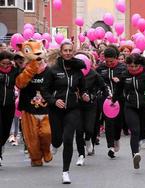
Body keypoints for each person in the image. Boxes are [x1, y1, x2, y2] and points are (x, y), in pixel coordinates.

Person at [42, 40, 89, 184]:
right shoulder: (52, 69)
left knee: (68, 139)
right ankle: (55, 144)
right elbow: (45, 90)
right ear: (61, 52)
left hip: (72, 109)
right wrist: (54, 100)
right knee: (57, 139)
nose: (68, 53)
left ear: (73, 52)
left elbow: (83, 88)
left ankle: (65, 172)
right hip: (56, 109)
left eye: (70, 50)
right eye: (65, 50)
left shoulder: (78, 70)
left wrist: (85, 95)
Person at [112, 53, 145, 169]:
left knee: (143, 132)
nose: (133, 68)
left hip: (144, 107)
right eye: (130, 66)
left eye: (135, 66)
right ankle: (135, 155)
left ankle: (140, 142)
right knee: (135, 130)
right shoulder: (124, 75)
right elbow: (118, 91)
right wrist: (113, 100)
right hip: (130, 107)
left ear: (140, 65)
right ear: (127, 65)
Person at [96, 47, 126, 159]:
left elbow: (128, 81)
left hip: (120, 99)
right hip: (106, 99)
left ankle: (117, 138)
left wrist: (120, 80)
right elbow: (96, 81)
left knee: (118, 123)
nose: (108, 63)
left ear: (116, 59)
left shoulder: (123, 68)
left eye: (111, 61)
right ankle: (111, 147)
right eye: (106, 61)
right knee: (108, 122)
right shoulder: (101, 68)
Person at [0, 51, 19, 166]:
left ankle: (1, 146)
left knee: (6, 131)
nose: (6, 66)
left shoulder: (14, 71)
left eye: (8, 63)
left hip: (9, 105)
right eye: (3, 64)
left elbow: (22, 77)